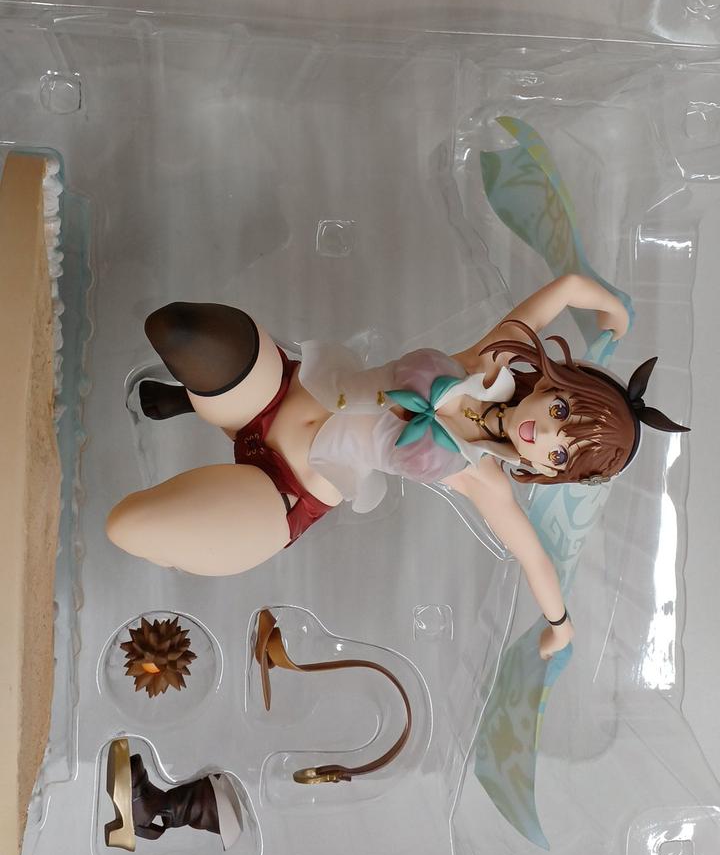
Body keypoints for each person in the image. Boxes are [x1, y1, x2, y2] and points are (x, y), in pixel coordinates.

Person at [106, 274, 687, 658]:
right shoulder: (487, 360)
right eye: (560, 412)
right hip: (278, 391)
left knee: (131, 526)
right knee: (183, 329)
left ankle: (187, 411)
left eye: (558, 454)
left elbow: (532, 554)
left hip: (283, 488)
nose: (545, 435)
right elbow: (564, 290)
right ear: (554, 383)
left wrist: (560, 625)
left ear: (550, 470)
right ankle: (190, 400)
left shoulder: (481, 477)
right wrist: (613, 308)